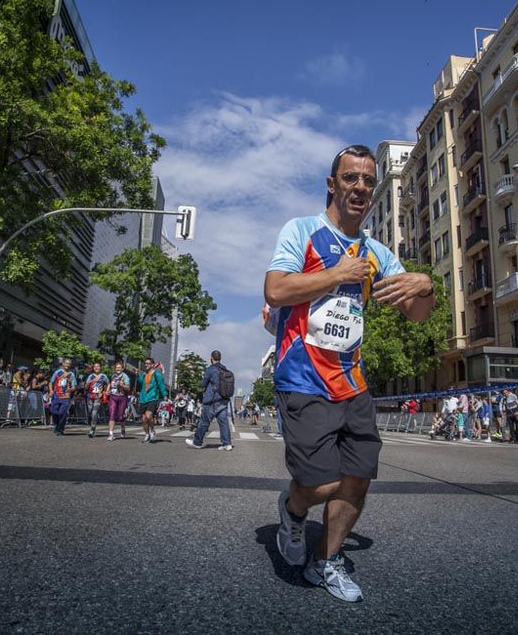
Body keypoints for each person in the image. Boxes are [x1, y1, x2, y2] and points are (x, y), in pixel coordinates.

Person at [265, 144, 435, 602]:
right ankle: (294, 510)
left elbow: (418, 315)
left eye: (367, 180)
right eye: (350, 178)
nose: (360, 187)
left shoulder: (377, 251)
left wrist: (426, 284)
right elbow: (276, 289)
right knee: (320, 483)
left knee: (358, 477)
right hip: (302, 376)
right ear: (332, 183)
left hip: (352, 381)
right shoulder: (301, 231)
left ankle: (326, 562)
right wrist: (337, 272)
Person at [186, 350, 234, 451]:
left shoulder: (210, 369)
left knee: (204, 422)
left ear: (211, 358)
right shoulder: (225, 370)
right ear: (220, 358)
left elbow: (202, 384)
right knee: (223, 422)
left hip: (211, 400)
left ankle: (197, 442)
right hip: (223, 400)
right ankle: (227, 444)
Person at [137, 357, 168, 443]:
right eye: (145, 363)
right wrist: (137, 374)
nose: (146, 365)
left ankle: (152, 430)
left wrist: (165, 395)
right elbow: (140, 381)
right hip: (143, 398)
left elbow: (161, 385)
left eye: (148, 363)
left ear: (152, 365)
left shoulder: (157, 374)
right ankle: (147, 434)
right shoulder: (144, 374)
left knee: (149, 416)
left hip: (153, 398)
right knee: (143, 419)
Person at [48, 358, 78, 436]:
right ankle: (57, 425)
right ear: (63, 364)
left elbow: (74, 386)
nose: (68, 365)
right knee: (54, 412)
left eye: (69, 364)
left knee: (62, 413)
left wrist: (70, 389)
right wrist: (51, 391)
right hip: (56, 395)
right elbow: (51, 382)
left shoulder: (71, 375)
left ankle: (60, 429)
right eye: (66, 363)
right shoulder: (57, 372)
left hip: (66, 397)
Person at [106, 361, 131, 441]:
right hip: (113, 397)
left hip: (122, 398)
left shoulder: (125, 377)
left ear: (122, 369)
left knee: (120, 417)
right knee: (112, 414)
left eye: (119, 367)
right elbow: (111, 386)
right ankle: (111, 434)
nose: (118, 369)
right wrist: (108, 391)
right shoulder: (113, 376)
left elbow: (128, 388)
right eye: (116, 368)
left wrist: (122, 385)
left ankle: (123, 429)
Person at [84, 362, 109, 438]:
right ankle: (92, 421)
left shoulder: (103, 376)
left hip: (98, 397)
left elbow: (108, 383)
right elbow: (85, 387)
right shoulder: (90, 376)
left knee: (94, 412)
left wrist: (106, 391)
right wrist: (88, 383)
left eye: (98, 366)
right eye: (95, 366)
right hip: (90, 397)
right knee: (90, 411)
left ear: (100, 367)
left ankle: (92, 430)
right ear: (93, 368)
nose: (96, 368)